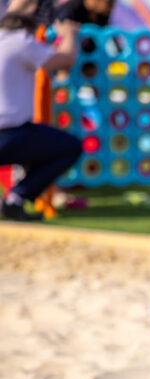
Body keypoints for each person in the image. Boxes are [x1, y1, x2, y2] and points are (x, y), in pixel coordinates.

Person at [0, 11, 81, 221]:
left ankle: (14, 201)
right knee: (69, 147)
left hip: (11, 134)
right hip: (9, 135)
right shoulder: (20, 41)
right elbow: (66, 59)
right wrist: (70, 34)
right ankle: (16, 198)